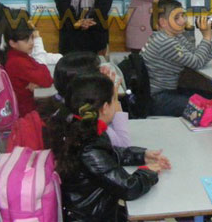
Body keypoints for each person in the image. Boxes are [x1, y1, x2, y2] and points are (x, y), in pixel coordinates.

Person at [46, 73, 170, 221]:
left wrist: (141, 155)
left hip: (89, 210)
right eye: (114, 101)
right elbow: (129, 188)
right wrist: (148, 171)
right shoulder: (88, 146)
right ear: (105, 107)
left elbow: (107, 154)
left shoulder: (78, 127)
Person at [142, 0, 212, 117]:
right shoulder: (165, 41)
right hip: (159, 98)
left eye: (183, 15)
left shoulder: (176, 36)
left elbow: (197, 57)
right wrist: (206, 37)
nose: (183, 20)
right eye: (176, 18)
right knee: (210, 107)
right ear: (163, 22)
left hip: (168, 91)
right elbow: (197, 62)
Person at [45, 51, 131, 148]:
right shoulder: (90, 121)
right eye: (99, 73)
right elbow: (124, 144)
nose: (104, 73)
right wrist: (112, 96)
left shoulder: (64, 107)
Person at [0, 10, 53, 117]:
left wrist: (37, 80)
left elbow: (40, 70)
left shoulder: (16, 54)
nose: (32, 43)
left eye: (32, 37)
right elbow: (47, 80)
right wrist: (39, 77)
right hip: (26, 113)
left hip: (26, 107)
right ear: (12, 43)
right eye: (26, 40)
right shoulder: (18, 61)